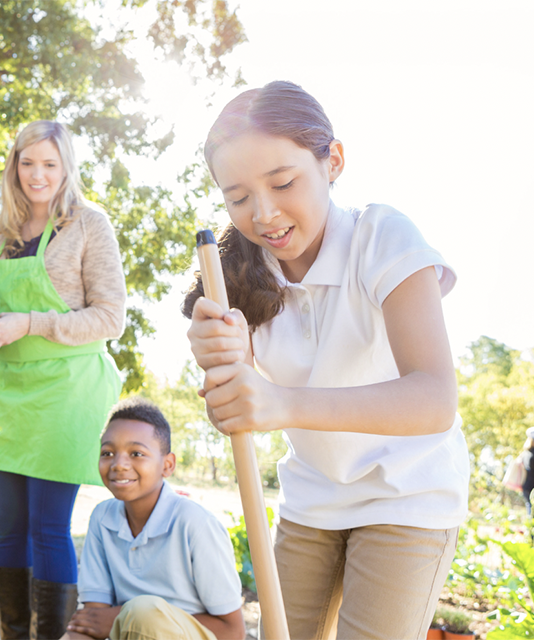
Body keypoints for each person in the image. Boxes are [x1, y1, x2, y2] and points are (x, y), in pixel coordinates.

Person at [184, 81, 469, 640]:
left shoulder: (383, 236)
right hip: (313, 497)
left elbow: (435, 399)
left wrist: (280, 402)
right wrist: (224, 374)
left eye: (284, 182)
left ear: (332, 161)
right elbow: (236, 413)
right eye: (238, 198)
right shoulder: (239, 277)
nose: (263, 214)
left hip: (407, 495)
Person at [0, 120, 126, 640]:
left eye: (50, 164)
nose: (38, 175)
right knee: (8, 532)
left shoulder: (88, 225)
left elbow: (110, 318)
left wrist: (29, 324)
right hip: (8, 391)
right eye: (27, 162)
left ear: (67, 169)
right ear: (14, 165)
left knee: (47, 530)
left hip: (65, 390)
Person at [64, 398, 245, 640]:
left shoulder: (195, 524)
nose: (118, 464)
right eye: (107, 453)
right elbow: (93, 621)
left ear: (167, 465)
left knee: (143, 613)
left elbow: (233, 631)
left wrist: (124, 617)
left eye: (136, 453)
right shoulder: (102, 518)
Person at [520, 427, 534, 515]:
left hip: (526, 485)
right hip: (531, 485)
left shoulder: (525, 453)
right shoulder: (531, 454)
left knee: (529, 507)